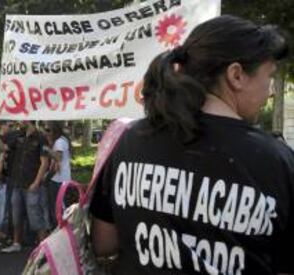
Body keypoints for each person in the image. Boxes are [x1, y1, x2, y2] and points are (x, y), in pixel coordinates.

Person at [90, 15, 292, 274]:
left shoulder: (128, 139)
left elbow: (103, 243)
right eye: (269, 76)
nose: (271, 90)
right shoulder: (276, 161)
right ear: (237, 75)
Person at [1, 121, 49, 253]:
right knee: (16, 215)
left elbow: (44, 163)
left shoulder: (41, 138)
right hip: (17, 182)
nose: (18, 121)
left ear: (29, 120)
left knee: (35, 216)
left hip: (31, 184)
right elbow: (3, 149)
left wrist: (36, 182)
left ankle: (44, 249)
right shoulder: (18, 136)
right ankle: (17, 243)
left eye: (22, 118)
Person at [45, 121, 72, 228]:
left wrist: (47, 149)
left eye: (48, 130)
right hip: (62, 178)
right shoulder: (62, 140)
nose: (46, 133)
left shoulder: (59, 142)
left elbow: (58, 157)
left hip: (59, 180)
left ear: (54, 130)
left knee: (57, 207)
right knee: (60, 206)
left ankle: (59, 229)